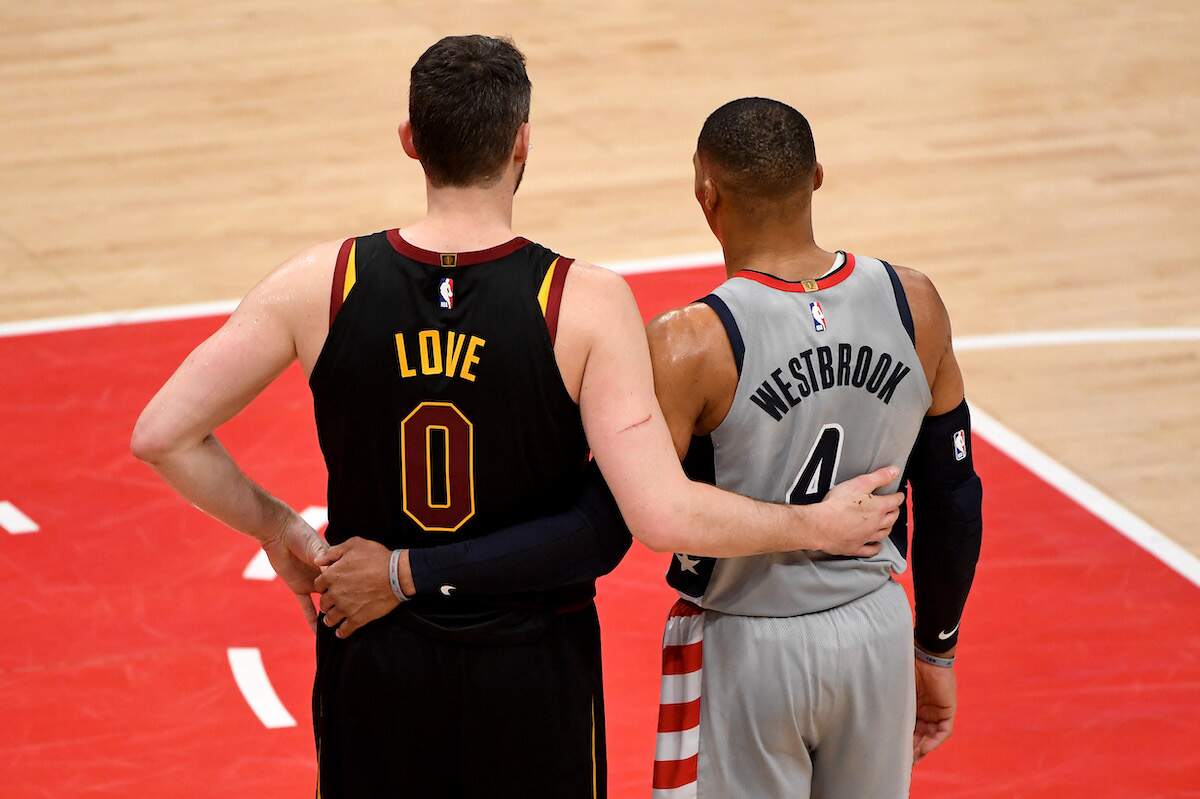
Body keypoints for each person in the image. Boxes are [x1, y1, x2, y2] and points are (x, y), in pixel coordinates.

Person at [129, 39, 904, 798]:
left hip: (375, 656)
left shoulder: (322, 284)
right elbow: (633, 521)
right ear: (522, 142)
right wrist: (819, 526)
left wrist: (283, 531)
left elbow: (163, 434)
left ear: (411, 140)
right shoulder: (584, 301)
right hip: (532, 669)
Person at [644, 98, 984, 798]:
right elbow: (954, 494)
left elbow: (642, 512)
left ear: (706, 194)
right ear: (818, 177)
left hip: (747, 638)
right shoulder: (915, 303)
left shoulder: (688, 345)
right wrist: (936, 648)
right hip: (875, 633)